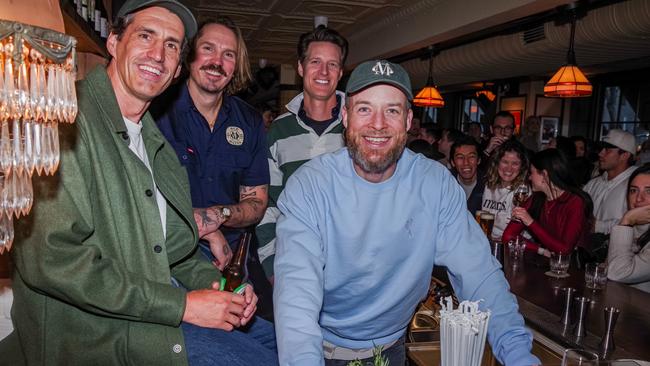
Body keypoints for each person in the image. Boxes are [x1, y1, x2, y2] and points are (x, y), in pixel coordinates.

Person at [0, 1, 277, 365]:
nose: (158, 55)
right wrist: (183, 306)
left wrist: (220, 288)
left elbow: (175, 250)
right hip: (95, 334)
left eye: (172, 45)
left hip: (151, 312)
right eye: (146, 36)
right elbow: (52, 261)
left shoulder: (154, 139)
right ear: (114, 42)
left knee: (280, 342)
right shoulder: (63, 117)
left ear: (178, 68)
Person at [273, 60, 540, 366]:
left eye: (392, 110)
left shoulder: (435, 183)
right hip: (321, 350)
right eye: (364, 109)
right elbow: (296, 293)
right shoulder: (310, 185)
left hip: (392, 349)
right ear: (345, 116)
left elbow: (479, 275)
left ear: (408, 119)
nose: (378, 123)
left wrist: (519, 355)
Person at [155, 18, 274, 320]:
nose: (217, 62)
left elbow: (257, 204)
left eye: (229, 54)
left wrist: (216, 218)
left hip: (235, 259)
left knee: (268, 334)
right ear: (190, 54)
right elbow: (140, 196)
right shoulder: (156, 110)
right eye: (208, 49)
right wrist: (204, 231)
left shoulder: (249, 121)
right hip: (169, 254)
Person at [256, 25, 349, 282]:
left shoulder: (359, 125)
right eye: (315, 62)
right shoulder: (278, 130)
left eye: (332, 64)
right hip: (294, 266)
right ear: (300, 67)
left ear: (340, 73)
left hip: (351, 267)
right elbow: (268, 205)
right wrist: (273, 267)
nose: (323, 72)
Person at [502, 149, 593, 257]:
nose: (529, 178)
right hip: (547, 264)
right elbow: (508, 237)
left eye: (532, 173)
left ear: (544, 175)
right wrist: (540, 250)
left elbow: (564, 250)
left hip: (571, 268)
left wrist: (531, 222)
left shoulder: (575, 202)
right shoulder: (537, 198)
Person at [584, 129, 637, 235]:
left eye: (607, 150)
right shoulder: (593, 184)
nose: (600, 154)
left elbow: (639, 223)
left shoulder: (636, 185)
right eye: (601, 149)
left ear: (624, 155)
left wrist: (599, 226)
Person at [607, 164, 650, 293]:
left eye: (649, 191)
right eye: (633, 190)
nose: (638, 198)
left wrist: (626, 221)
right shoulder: (633, 229)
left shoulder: (626, 224)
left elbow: (617, 273)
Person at [481, 140, 530, 240]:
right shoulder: (488, 185)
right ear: (497, 162)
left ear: (522, 167)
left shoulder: (523, 192)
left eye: (515, 164)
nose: (509, 169)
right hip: (487, 242)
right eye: (505, 162)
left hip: (512, 245)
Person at [449, 136, 484, 215]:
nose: (466, 163)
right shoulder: (446, 183)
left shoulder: (489, 184)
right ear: (452, 162)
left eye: (471, 156)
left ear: (478, 160)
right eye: (460, 157)